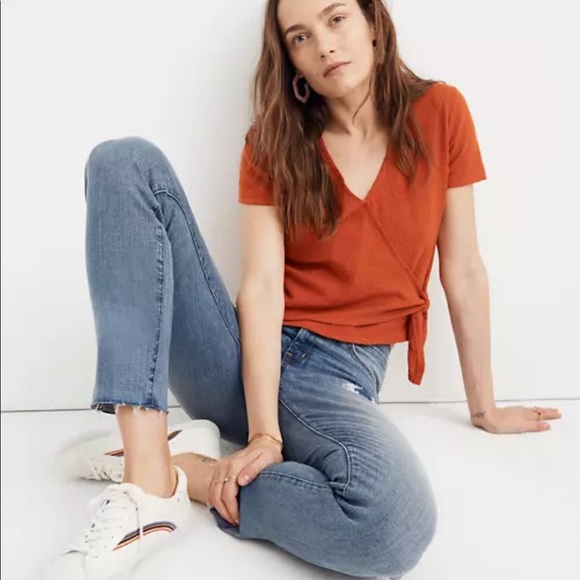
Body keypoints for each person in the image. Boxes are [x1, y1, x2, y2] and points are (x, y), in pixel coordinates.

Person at [40, 0, 562, 579]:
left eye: (336, 19)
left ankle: (182, 467)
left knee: (391, 527)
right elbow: (262, 289)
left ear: (373, 22)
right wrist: (264, 431)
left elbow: (462, 269)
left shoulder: (441, 113)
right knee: (124, 162)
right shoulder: (274, 141)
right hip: (238, 357)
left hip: (334, 379)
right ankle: (146, 479)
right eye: (300, 36)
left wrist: (484, 408)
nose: (324, 44)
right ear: (290, 61)